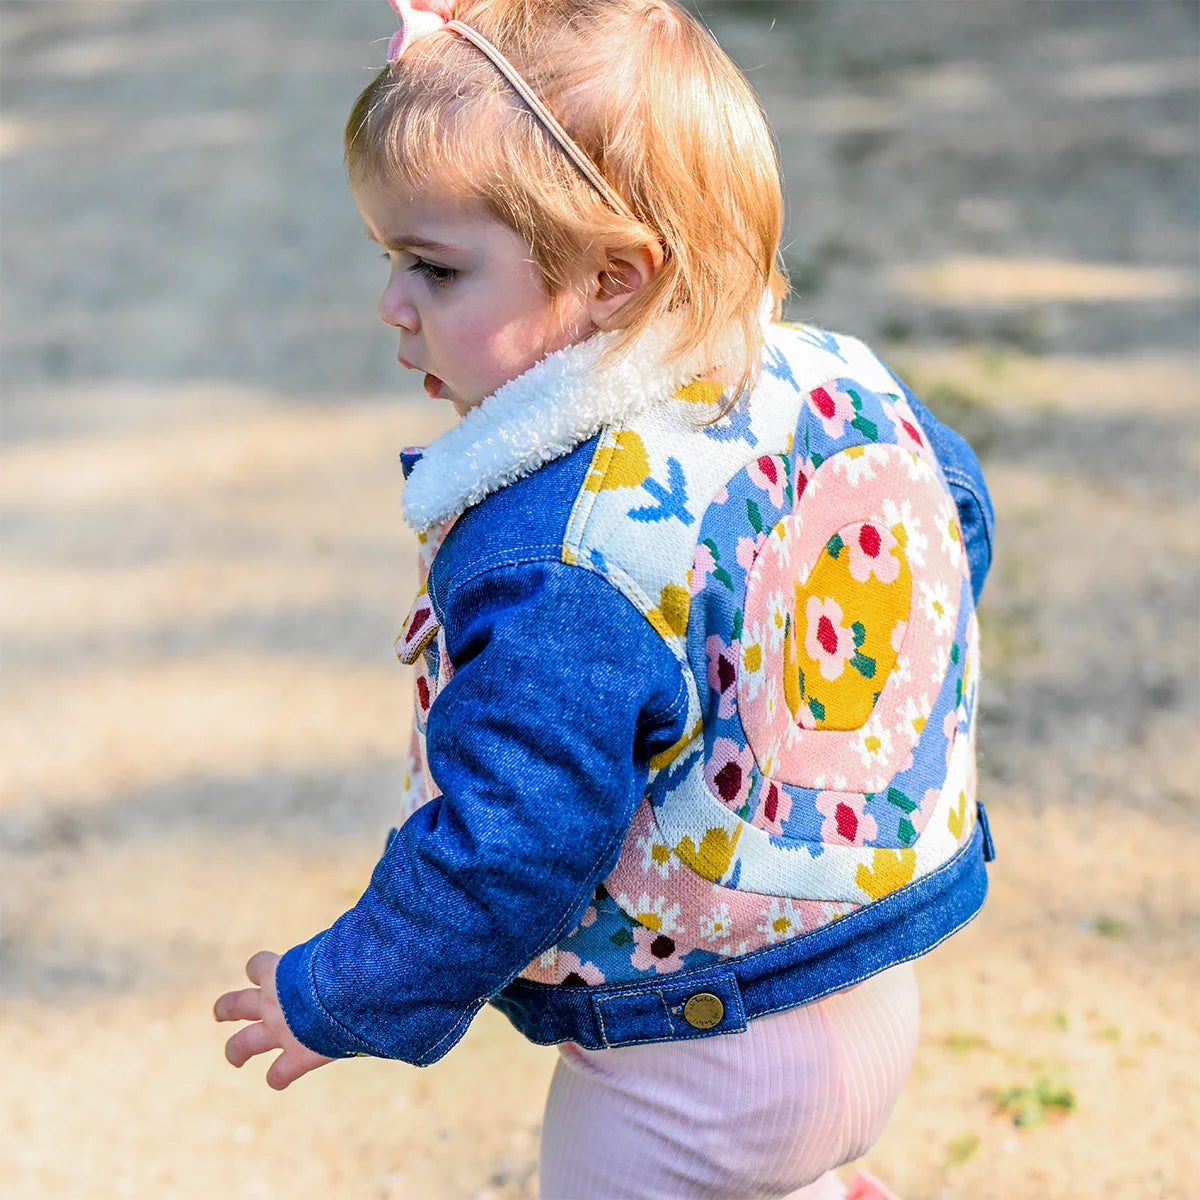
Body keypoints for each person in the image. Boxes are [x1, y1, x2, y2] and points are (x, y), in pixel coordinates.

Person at [214, 2, 996, 1196]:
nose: (393, 306)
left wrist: (342, 991)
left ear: (613, 278)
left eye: (435, 266)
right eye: (391, 260)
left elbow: (509, 840)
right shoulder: (828, 382)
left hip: (688, 1066)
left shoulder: (562, 556)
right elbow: (953, 518)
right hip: (861, 976)